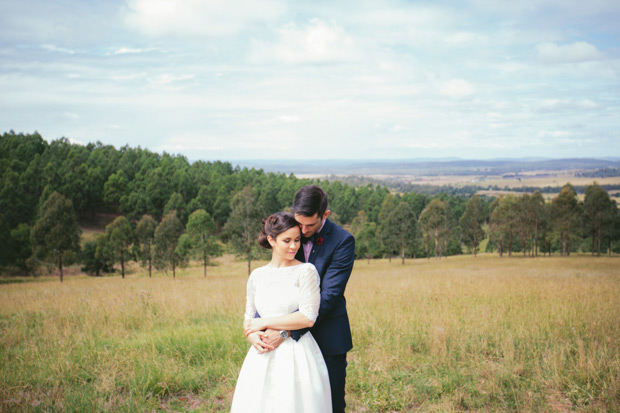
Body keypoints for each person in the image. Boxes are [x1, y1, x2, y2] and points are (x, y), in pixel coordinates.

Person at [261, 185, 355, 413]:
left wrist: (286, 331)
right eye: (298, 222)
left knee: (331, 404)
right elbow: (272, 280)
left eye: (309, 225)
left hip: (327, 338)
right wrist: (259, 325)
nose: (301, 231)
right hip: (283, 344)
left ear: (325, 215)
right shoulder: (289, 233)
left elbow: (329, 296)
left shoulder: (343, 241)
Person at [230, 211, 332, 413]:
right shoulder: (257, 276)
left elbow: (308, 317)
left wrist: (264, 322)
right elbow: (248, 319)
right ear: (271, 240)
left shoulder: (306, 271)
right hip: (262, 353)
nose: (294, 246)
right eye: (287, 240)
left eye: (297, 240)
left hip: (298, 353)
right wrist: (252, 335)